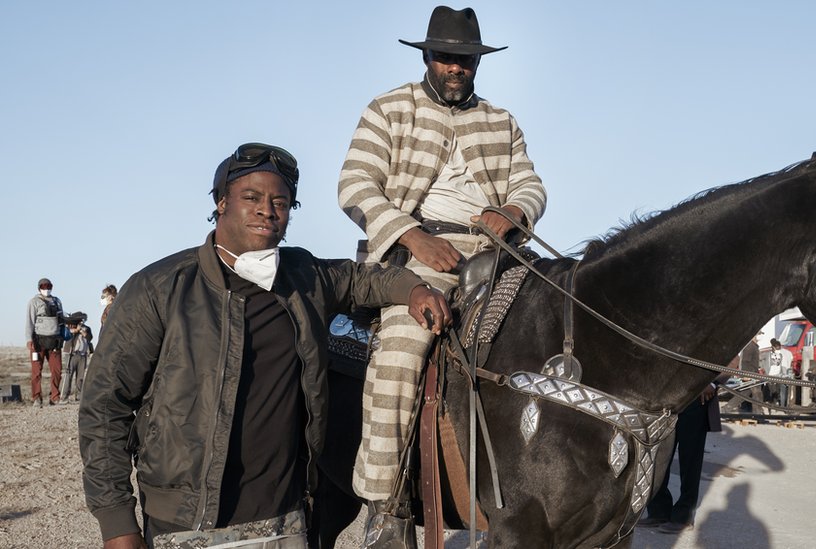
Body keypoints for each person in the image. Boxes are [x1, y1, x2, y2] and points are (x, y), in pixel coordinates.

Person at [78, 143, 450, 549]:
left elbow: (365, 279)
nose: (267, 210)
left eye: (281, 202)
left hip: (285, 521)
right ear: (221, 203)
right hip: (184, 526)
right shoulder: (159, 288)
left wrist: (414, 288)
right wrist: (117, 525)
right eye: (251, 198)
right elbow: (104, 408)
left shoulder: (302, 276)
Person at [337, 4, 547, 521]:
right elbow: (354, 186)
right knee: (402, 353)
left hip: (498, 257)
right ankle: (384, 507)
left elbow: (530, 184)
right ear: (429, 56)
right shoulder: (389, 109)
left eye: (467, 60)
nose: (457, 68)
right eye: (448, 58)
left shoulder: (501, 122)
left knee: (559, 325)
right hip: (416, 255)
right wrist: (413, 237)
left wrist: (514, 211)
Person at [639, 377, 726, 534]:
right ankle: (659, 511)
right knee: (659, 458)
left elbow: (733, 360)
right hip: (666, 400)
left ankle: (683, 516)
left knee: (690, 460)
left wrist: (712, 383)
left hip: (695, 400)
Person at [25, 277, 65, 406]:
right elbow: (29, 321)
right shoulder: (34, 302)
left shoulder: (57, 301)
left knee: (57, 370)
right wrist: (29, 339)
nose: (46, 289)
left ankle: (54, 397)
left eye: (49, 286)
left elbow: (61, 320)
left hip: (54, 341)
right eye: (43, 286)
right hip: (38, 341)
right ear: (39, 288)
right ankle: (36, 397)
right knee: (36, 372)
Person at [60, 311, 93, 402]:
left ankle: (79, 396)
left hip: (82, 355)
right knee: (68, 376)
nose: (82, 322)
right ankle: (64, 396)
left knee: (80, 377)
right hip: (71, 354)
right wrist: (75, 331)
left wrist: (84, 333)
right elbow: (66, 336)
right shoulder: (69, 326)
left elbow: (90, 338)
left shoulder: (87, 328)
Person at [768, 338, 795, 408]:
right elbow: (791, 361)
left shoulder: (777, 354)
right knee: (787, 391)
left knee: (779, 391)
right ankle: (786, 405)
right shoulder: (788, 352)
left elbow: (775, 366)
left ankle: (779, 405)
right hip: (788, 372)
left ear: (774, 346)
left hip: (780, 374)